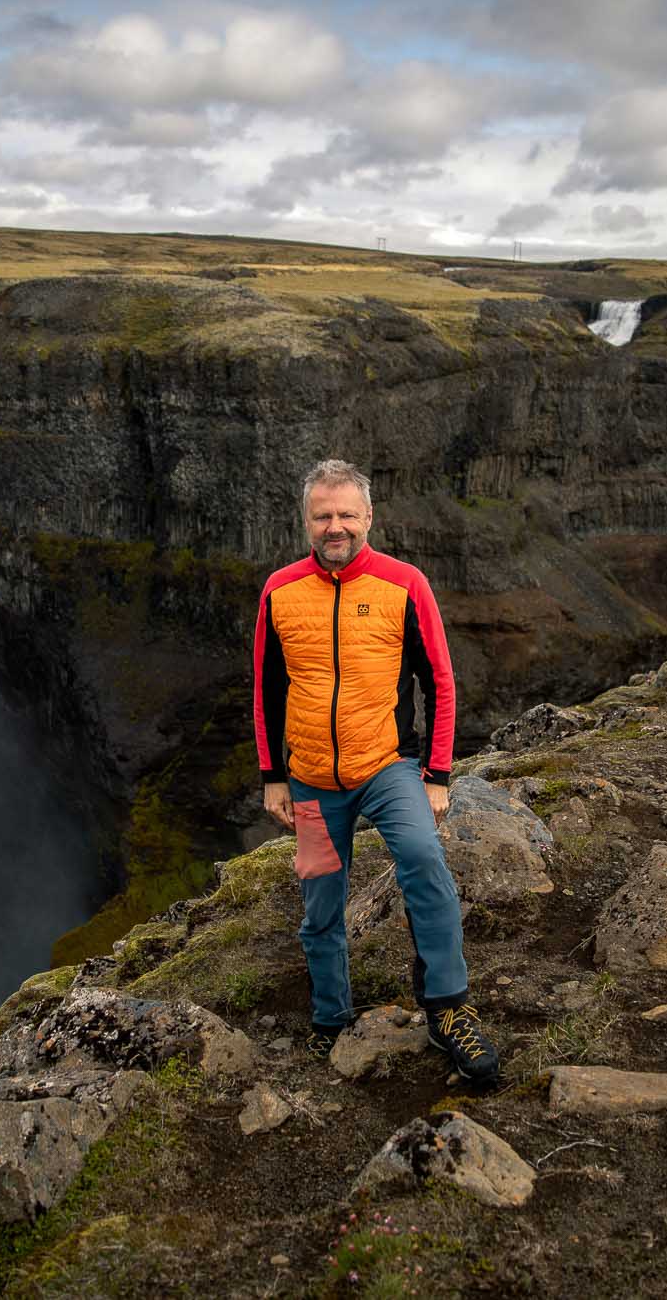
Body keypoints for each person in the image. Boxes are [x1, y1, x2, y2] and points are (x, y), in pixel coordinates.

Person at [251, 458, 501, 1085]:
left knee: (423, 858)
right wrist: (272, 775)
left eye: (345, 515)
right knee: (320, 903)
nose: (335, 526)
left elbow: (439, 680)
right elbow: (266, 689)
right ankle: (331, 1020)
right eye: (322, 515)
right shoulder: (280, 590)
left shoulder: (404, 583)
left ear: (368, 518)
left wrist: (438, 774)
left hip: (388, 766)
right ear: (307, 523)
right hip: (308, 776)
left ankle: (447, 1008)